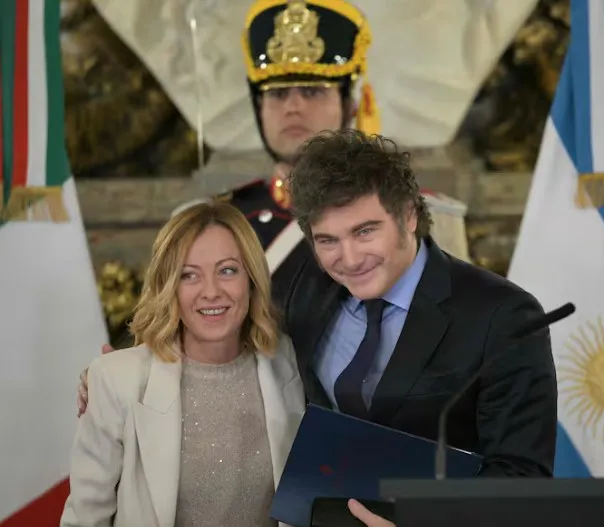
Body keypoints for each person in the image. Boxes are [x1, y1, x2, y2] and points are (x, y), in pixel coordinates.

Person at [282, 130, 557, 523]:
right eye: (327, 240)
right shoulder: (308, 288)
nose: (349, 258)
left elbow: (522, 477)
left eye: (364, 231)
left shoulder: (504, 316)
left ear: (409, 215)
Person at [178, 0, 471, 307]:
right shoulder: (216, 220)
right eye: (277, 94)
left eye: (312, 91)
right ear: (259, 108)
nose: (293, 107)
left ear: (350, 105)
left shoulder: (425, 215)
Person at [62, 202, 305, 527]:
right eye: (189, 275)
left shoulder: (288, 362)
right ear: (168, 287)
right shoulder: (116, 380)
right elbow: (84, 518)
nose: (211, 292)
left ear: (251, 278)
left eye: (227, 270)